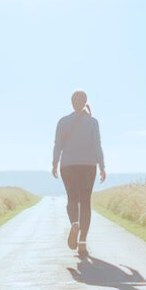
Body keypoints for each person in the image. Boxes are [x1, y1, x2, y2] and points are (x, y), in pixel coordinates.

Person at [52, 91, 106, 257]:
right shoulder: (92, 122)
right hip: (88, 166)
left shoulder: (62, 122)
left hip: (68, 166)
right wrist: (102, 167)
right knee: (85, 202)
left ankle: (74, 223)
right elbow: (97, 145)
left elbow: (57, 145)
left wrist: (54, 163)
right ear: (85, 102)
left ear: (72, 102)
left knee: (72, 200)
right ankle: (82, 242)